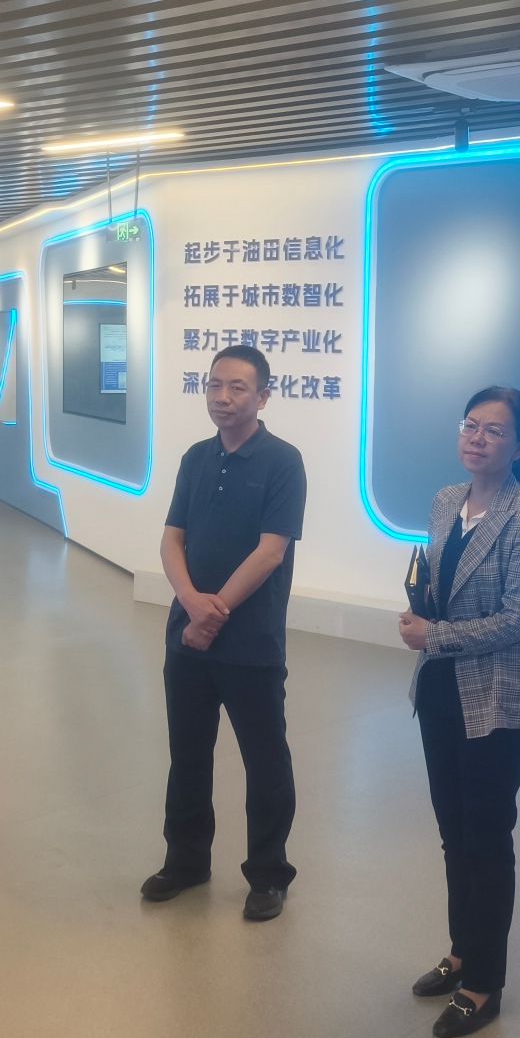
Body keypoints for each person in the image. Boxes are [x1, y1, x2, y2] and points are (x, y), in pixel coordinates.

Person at [397, 386, 520, 1038]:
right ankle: (462, 951)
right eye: (471, 425)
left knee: (486, 840)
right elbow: (441, 583)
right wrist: (421, 610)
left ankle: (484, 984)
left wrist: (434, 634)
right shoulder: (445, 501)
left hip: (499, 697)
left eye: (494, 431)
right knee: (453, 832)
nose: (477, 438)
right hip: (440, 687)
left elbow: (518, 620)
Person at [147, 344, 308, 922]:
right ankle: (186, 861)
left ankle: (268, 874)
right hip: (186, 638)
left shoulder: (283, 462)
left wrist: (213, 614)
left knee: (265, 761)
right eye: (214, 385)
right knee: (187, 755)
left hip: (251, 644)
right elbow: (172, 538)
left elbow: (270, 552)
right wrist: (192, 605)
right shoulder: (196, 457)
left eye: (238, 387)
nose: (222, 397)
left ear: (263, 396)